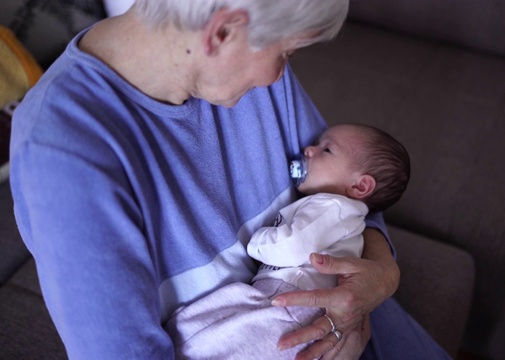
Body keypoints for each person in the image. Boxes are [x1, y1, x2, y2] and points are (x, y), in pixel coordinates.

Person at [9, 0, 450, 359]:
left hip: (360, 323)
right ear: (221, 32)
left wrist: (383, 276)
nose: (281, 74)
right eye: (286, 53)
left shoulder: (249, 76)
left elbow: (355, 195)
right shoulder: (64, 151)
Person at [165, 124, 411, 359]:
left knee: (208, 340)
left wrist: (256, 241)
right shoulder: (339, 211)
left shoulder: (332, 206)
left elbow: (291, 247)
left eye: (326, 149)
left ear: (360, 185)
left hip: (293, 302)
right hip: (291, 300)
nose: (308, 150)